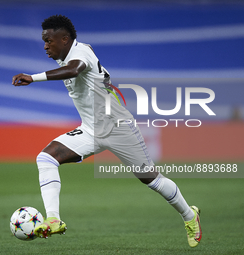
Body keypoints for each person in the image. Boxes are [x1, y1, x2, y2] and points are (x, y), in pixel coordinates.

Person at [12, 15, 202, 248]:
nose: (45, 46)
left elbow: (75, 70)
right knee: (46, 158)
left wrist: (33, 77)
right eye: (44, 41)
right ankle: (53, 219)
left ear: (65, 39)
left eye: (49, 41)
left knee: (151, 180)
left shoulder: (81, 54)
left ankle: (189, 215)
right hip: (91, 130)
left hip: (118, 128)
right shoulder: (67, 56)